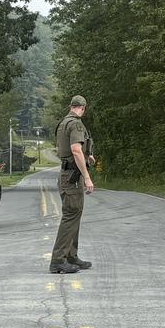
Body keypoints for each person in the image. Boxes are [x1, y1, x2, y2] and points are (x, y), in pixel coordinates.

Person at [49, 95, 96, 274]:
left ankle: (71, 256)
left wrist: (87, 155)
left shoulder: (63, 123)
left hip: (65, 174)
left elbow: (69, 149)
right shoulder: (76, 124)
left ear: (71, 106)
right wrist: (87, 177)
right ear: (83, 108)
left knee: (74, 214)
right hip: (72, 176)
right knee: (71, 216)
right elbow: (76, 150)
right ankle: (58, 260)